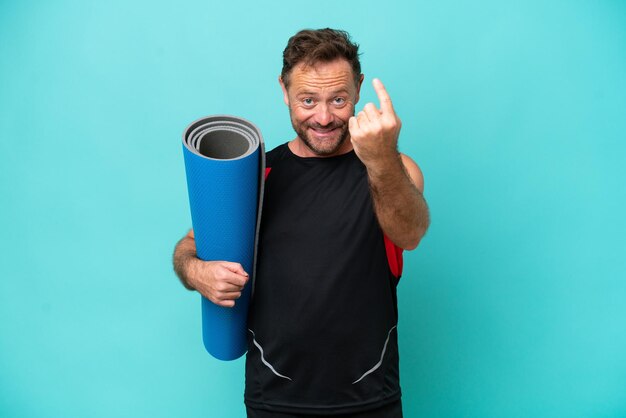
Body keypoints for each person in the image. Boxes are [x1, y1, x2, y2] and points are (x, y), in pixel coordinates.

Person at [173, 28, 430, 418]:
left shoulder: (391, 171)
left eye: (338, 99)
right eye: (307, 100)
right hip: (274, 400)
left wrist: (380, 158)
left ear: (359, 89)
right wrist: (197, 272)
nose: (324, 117)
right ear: (284, 90)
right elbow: (190, 247)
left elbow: (409, 233)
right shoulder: (259, 177)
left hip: (370, 400)